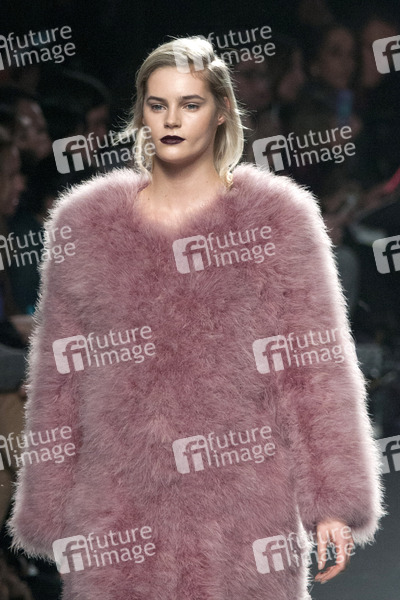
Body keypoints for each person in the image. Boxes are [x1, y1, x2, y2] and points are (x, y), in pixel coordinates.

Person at [7, 37, 384, 600]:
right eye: (157, 105)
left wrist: (333, 500)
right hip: (119, 504)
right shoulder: (86, 223)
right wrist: (51, 505)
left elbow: (313, 369)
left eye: (190, 104)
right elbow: (61, 377)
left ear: (222, 111)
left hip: (245, 503)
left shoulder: (277, 219)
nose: (172, 120)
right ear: (140, 114)